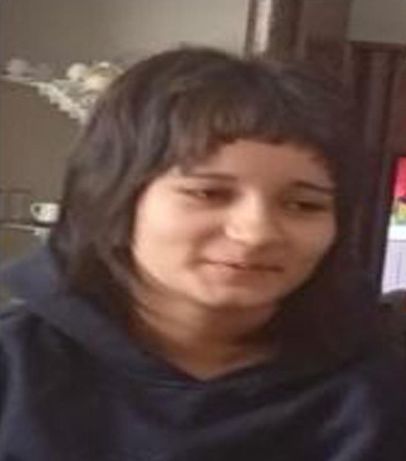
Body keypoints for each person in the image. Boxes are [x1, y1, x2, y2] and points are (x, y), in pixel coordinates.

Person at [0, 47, 405, 460]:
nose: (256, 233)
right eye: (209, 194)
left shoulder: (376, 389)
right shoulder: (16, 369)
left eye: (304, 205)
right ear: (116, 198)